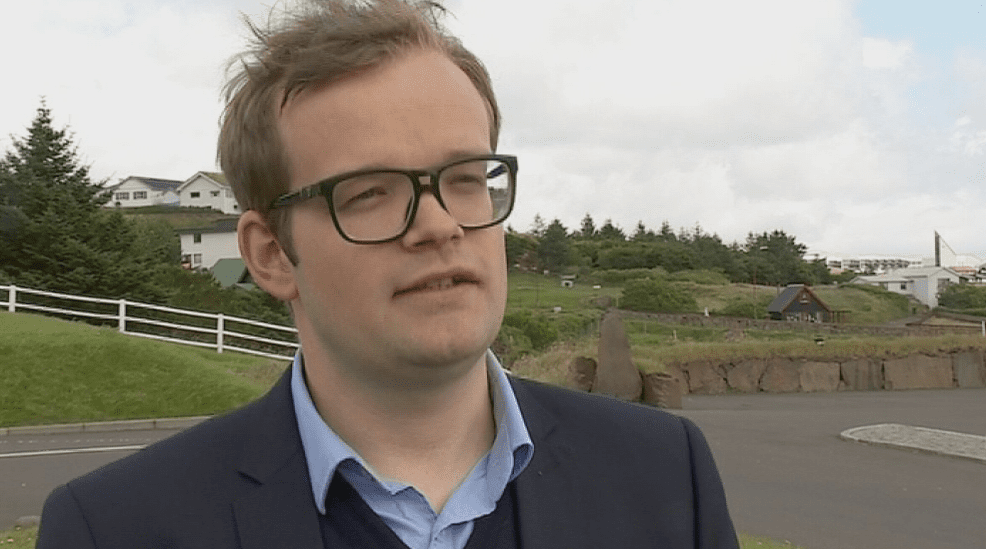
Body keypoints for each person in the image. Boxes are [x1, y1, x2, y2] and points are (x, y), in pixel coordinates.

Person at [37, 1, 739, 547]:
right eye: (371, 191)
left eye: (466, 178)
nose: (439, 224)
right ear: (271, 253)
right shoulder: (115, 529)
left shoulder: (664, 471)